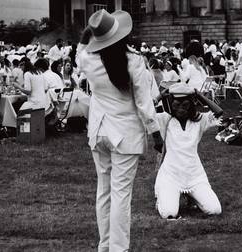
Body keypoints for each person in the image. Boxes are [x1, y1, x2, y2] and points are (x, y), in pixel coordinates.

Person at [77, 9, 163, 252]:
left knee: (104, 193)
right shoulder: (133, 60)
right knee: (120, 195)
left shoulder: (88, 59)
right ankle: (118, 248)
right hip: (125, 133)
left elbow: (78, 54)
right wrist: (155, 132)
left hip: (99, 131)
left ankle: (105, 246)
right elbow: (144, 103)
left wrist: (86, 34)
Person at [154, 83, 222, 219]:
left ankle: (192, 196)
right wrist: (161, 96)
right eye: (176, 105)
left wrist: (198, 95)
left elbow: (219, 112)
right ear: (171, 105)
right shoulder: (165, 119)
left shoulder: (199, 120)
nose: (180, 109)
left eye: (185, 105)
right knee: (169, 213)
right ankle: (163, 197)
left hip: (194, 175)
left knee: (215, 210)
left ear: (191, 104)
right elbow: (145, 112)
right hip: (171, 175)